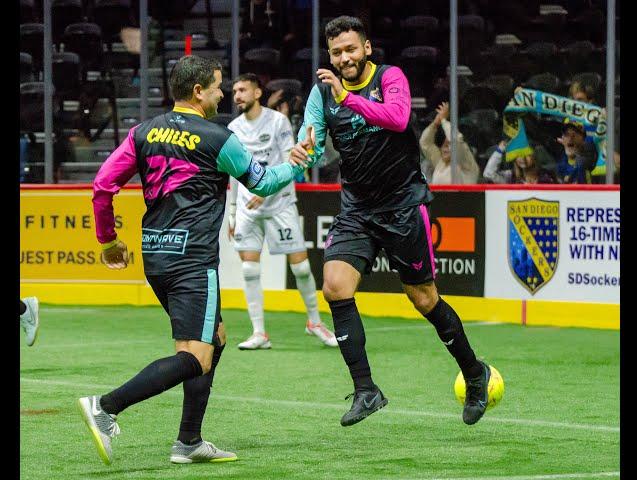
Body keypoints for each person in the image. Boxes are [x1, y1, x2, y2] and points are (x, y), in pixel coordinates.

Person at [77, 55, 306, 466]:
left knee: (213, 338)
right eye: (218, 86)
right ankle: (105, 407)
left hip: (156, 255)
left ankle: (189, 442)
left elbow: (102, 185)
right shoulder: (218, 138)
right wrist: (292, 163)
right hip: (194, 260)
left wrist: (108, 240)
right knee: (196, 356)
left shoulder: (143, 132)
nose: (223, 93)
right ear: (199, 91)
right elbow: (264, 181)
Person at [290, 16, 492, 427]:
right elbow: (309, 144)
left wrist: (347, 97)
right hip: (357, 210)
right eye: (336, 52)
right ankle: (366, 390)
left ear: (366, 48)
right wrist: (301, 153)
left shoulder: (390, 77)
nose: (343, 57)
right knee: (335, 286)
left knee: (424, 300)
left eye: (350, 49)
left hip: (402, 206)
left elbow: (398, 118)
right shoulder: (321, 94)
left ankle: (475, 372)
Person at [227, 73, 337, 349]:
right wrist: (231, 212)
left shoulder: (278, 122)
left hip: (279, 203)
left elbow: (294, 161)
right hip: (245, 209)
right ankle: (259, 333)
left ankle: (314, 322)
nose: (237, 95)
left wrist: (265, 195)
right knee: (250, 269)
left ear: (257, 93)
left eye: (242, 90)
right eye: (234, 91)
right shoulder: (233, 128)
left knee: (300, 267)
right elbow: (231, 171)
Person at [419, 102, 480, 184]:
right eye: (444, 144)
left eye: (449, 144)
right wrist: (435, 124)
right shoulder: (440, 163)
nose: (445, 146)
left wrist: (444, 120)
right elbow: (425, 143)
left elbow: (456, 140)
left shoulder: (466, 161)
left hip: (461, 197)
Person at [483, 140, 558, 184]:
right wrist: (499, 151)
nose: (523, 158)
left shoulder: (547, 176)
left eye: (527, 155)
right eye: (519, 155)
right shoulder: (510, 176)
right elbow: (488, 174)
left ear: (534, 156)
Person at [556, 119, 598, 184]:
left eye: (574, 135)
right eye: (567, 134)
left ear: (583, 139)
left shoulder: (590, 158)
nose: (570, 139)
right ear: (562, 138)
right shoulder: (560, 164)